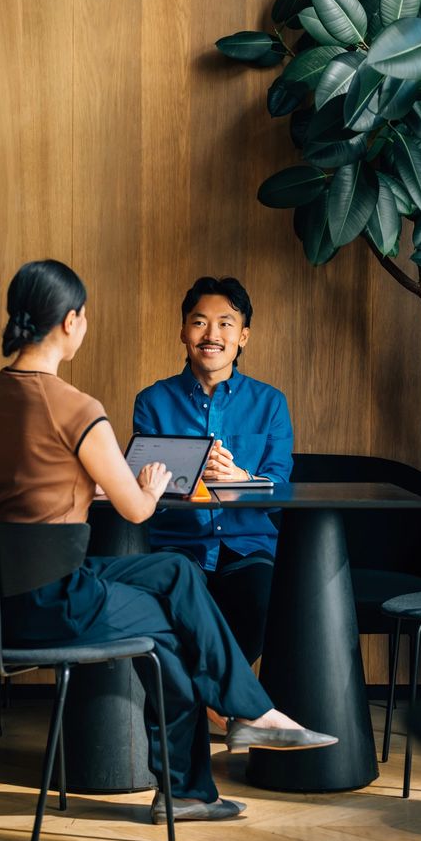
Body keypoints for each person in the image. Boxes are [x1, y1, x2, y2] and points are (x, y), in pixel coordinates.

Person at [0, 259, 335, 824]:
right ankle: (231, 738)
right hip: (54, 595)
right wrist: (148, 482)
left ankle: (222, 749)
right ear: (70, 322)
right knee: (166, 632)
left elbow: (8, 484)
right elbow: (138, 508)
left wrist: (82, 480)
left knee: (175, 573)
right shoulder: (78, 407)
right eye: (85, 315)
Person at [133, 276, 292, 666]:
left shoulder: (271, 403)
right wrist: (184, 479)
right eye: (200, 321)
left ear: (243, 337)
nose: (212, 334)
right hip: (177, 544)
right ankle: (226, 709)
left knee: (265, 599)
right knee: (170, 599)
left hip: (247, 546)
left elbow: (281, 489)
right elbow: (142, 490)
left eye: (226, 323)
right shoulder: (152, 402)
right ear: (184, 332)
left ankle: (206, 702)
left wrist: (243, 479)